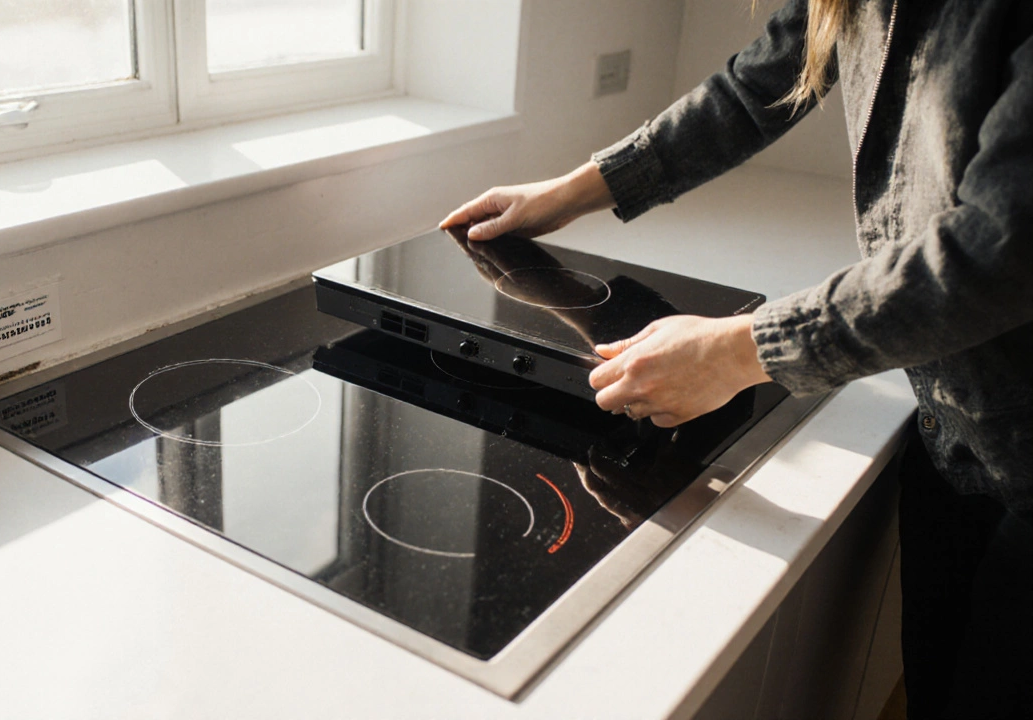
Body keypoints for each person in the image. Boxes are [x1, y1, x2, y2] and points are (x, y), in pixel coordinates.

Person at [440, 0, 1032, 717]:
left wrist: (739, 350)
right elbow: (758, 87)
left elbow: (999, 252)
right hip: (955, 424)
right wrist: (568, 193)